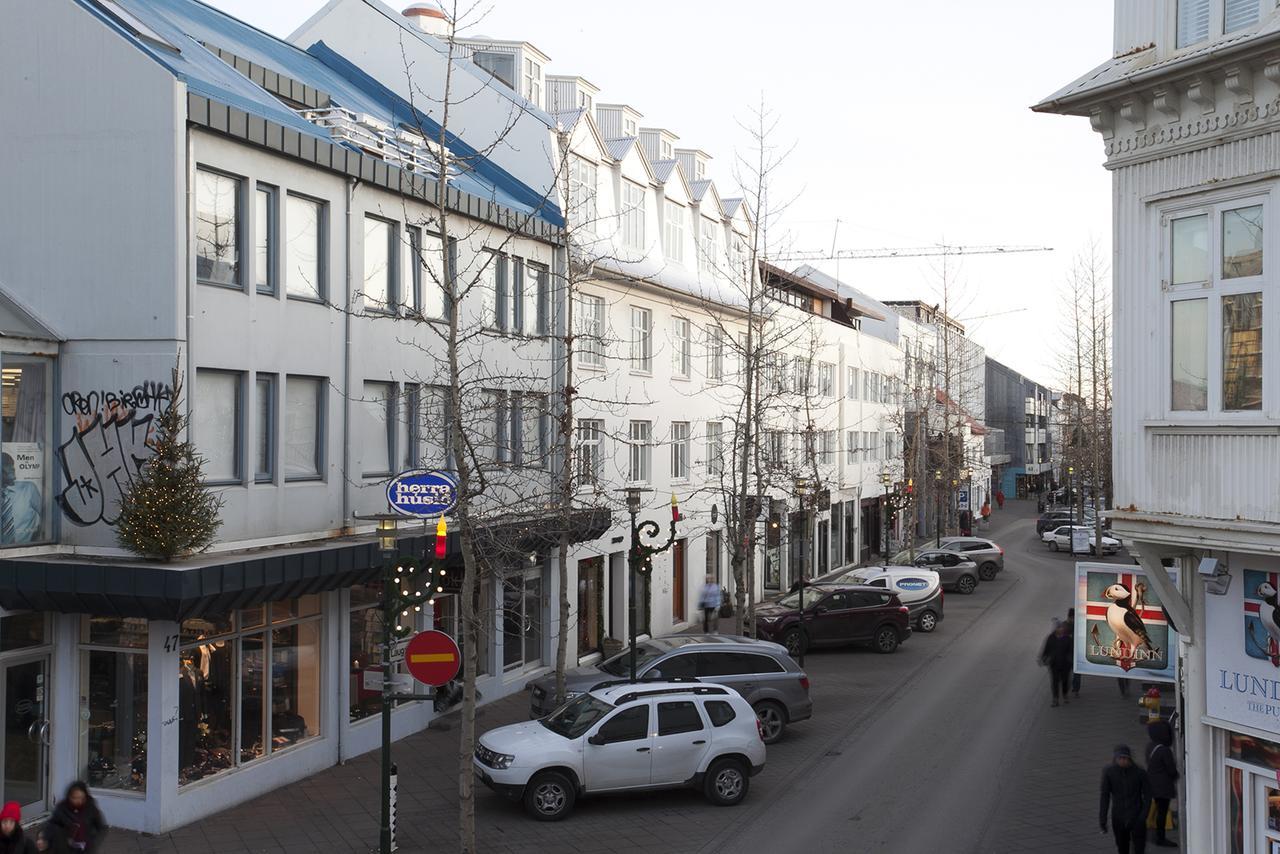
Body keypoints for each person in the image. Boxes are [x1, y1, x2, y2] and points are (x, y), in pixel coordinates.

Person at [1101, 744, 1152, 854]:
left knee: (1139, 848)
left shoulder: (1139, 772)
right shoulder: (1109, 773)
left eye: (1125, 758)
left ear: (1129, 758)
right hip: (1119, 818)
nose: (1123, 761)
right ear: (1116, 758)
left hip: (1137, 817)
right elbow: (1105, 796)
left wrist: (1143, 816)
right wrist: (1103, 819)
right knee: (1122, 847)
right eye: (1120, 758)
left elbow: (1148, 795)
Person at [46, 781, 106, 854]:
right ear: (69, 796)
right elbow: (51, 824)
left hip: (86, 848)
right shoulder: (62, 808)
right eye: (74, 798)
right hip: (66, 848)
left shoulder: (91, 808)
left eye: (81, 798)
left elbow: (101, 827)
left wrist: (93, 840)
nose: (78, 801)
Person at [1145, 720, 1179, 847]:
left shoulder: (1150, 746)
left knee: (1155, 808)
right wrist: (1176, 776)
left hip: (1152, 783)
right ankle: (1160, 837)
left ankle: (1152, 833)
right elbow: (1171, 769)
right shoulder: (1165, 750)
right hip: (1163, 786)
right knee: (1162, 812)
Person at [1040, 620, 1073, 706]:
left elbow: (1071, 650)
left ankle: (1065, 694)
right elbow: (1046, 649)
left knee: (1065, 680)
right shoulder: (1051, 638)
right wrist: (1043, 658)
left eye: (1061, 627)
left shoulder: (1067, 638)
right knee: (1054, 681)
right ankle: (1055, 699)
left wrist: (1070, 659)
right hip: (1054, 663)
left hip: (1065, 664)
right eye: (1058, 627)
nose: (1060, 629)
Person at [1064, 608, 1082, 698]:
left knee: (1077, 673)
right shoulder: (1065, 626)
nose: (1073, 619)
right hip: (1067, 654)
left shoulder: (1078, 625)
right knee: (1066, 674)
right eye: (1072, 617)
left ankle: (1076, 689)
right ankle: (1066, 690)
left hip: (1076, 653)